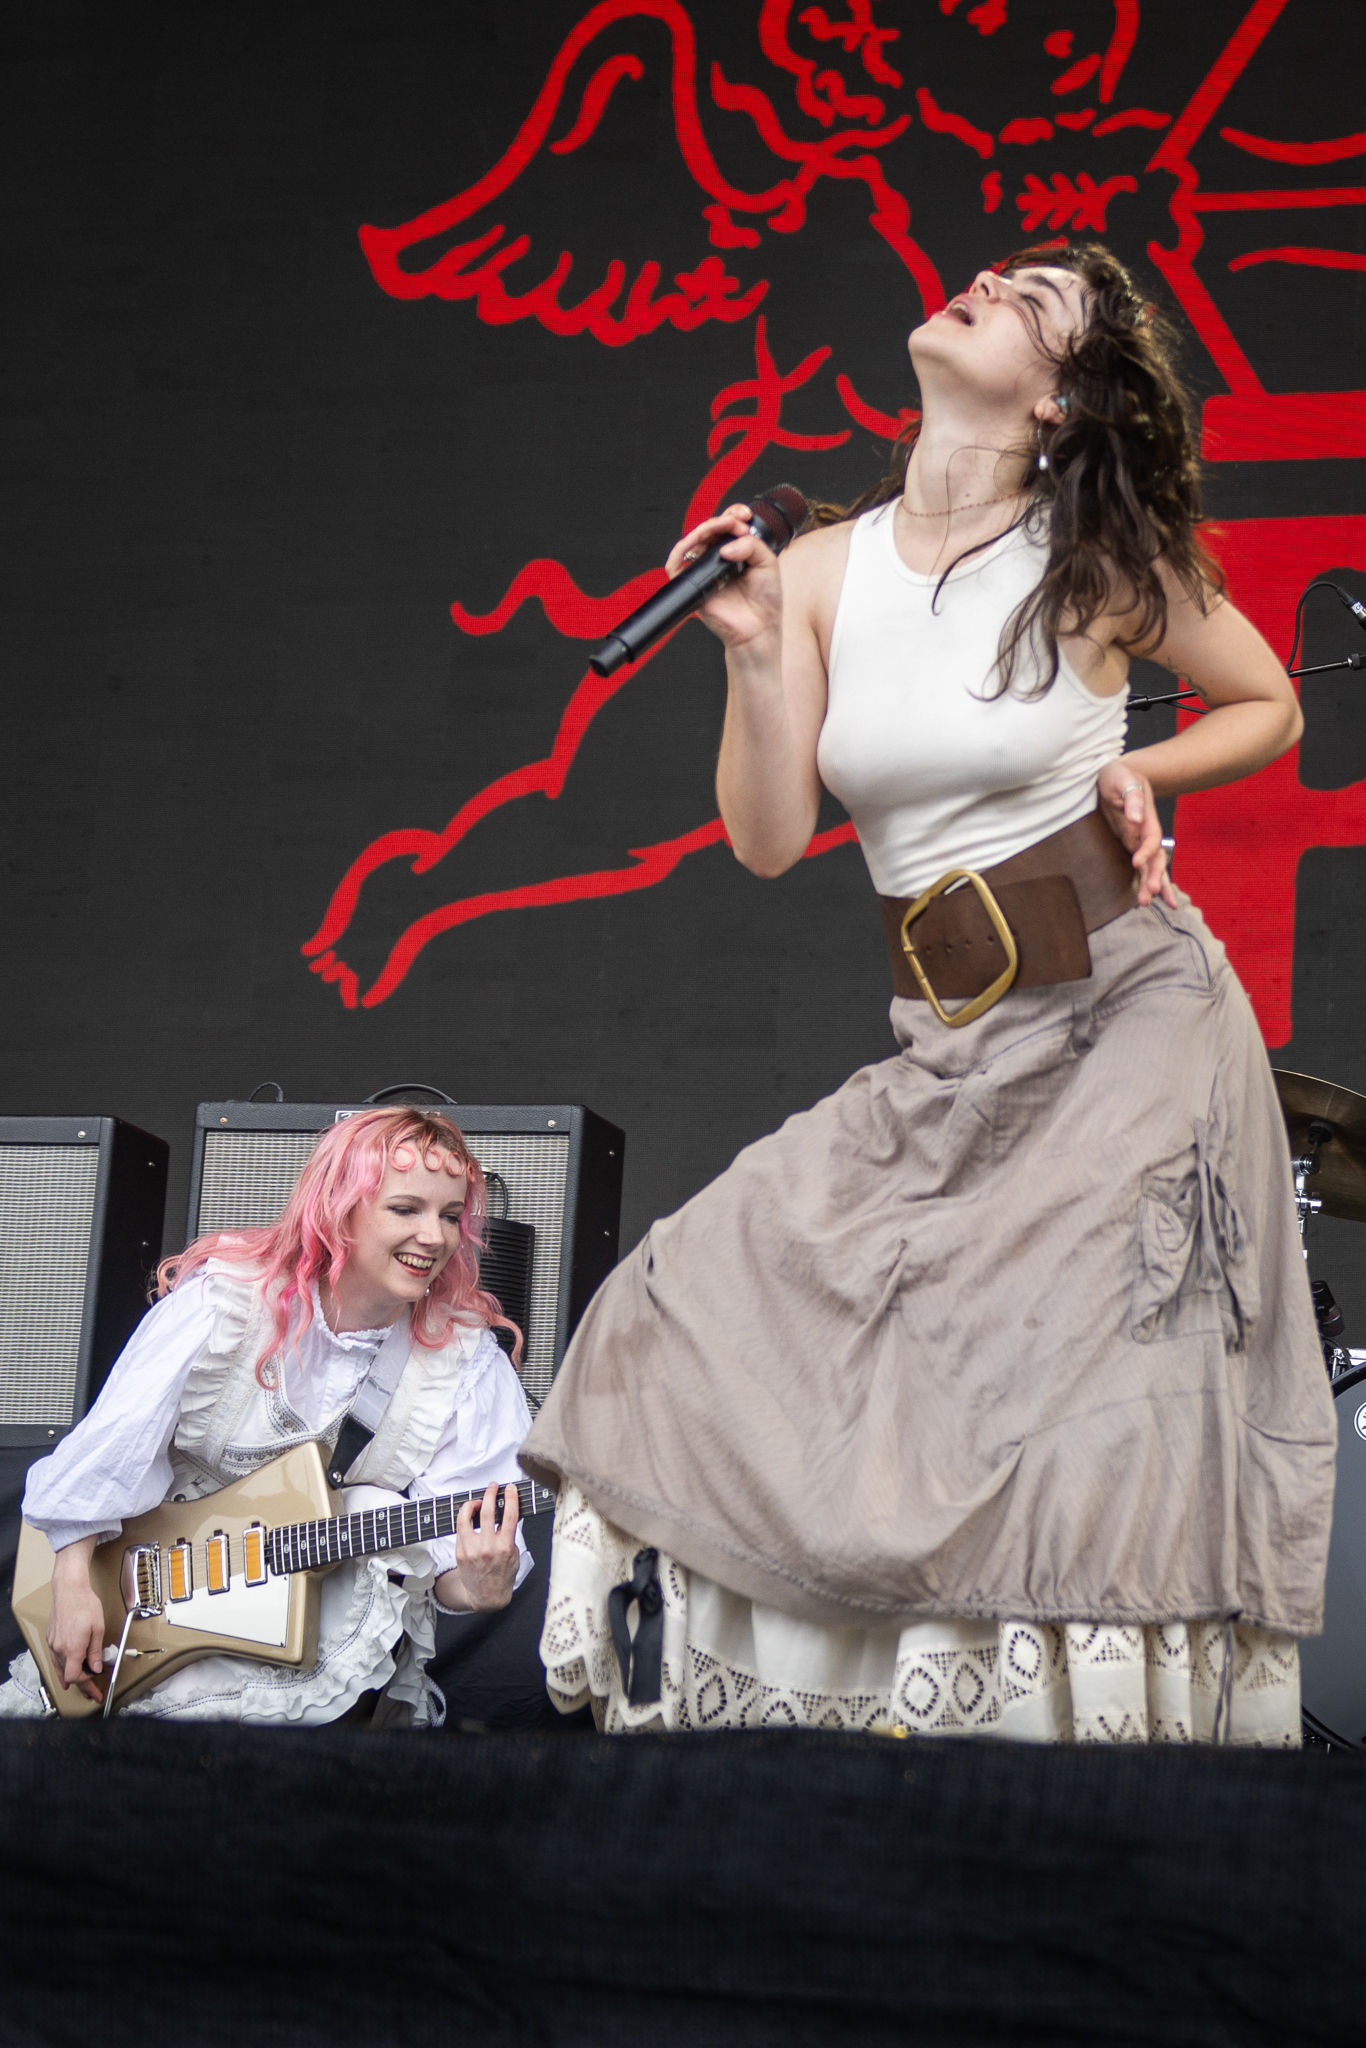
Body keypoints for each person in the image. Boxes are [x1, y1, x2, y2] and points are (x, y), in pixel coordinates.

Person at [523, 242, 1337, 1745]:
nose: (989, 281)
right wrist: (751, 653)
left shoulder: (1095, 554)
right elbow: (769, 839)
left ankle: (1083, 1759)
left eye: (1034, 299)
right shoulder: (817, 568)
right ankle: (859, 1732)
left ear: (1058, 398)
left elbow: (1269, 701)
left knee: (1082, 1384)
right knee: (681, 1292)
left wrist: (1138, 769)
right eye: (996, 273)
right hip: (949, 1034)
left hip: (1127, 1002)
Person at [0, 1107, 531, 1725]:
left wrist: (482, 1586)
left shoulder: (464, 1362)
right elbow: (110, 1448)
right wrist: (72, 1582)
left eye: (449, 1216)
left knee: (372, 1511)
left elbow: (451, 1575)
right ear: (339, 1209)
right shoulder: (223, 1304)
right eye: (406, 1209)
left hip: (309, 1635)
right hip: (148, 1600)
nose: (434, 1237)